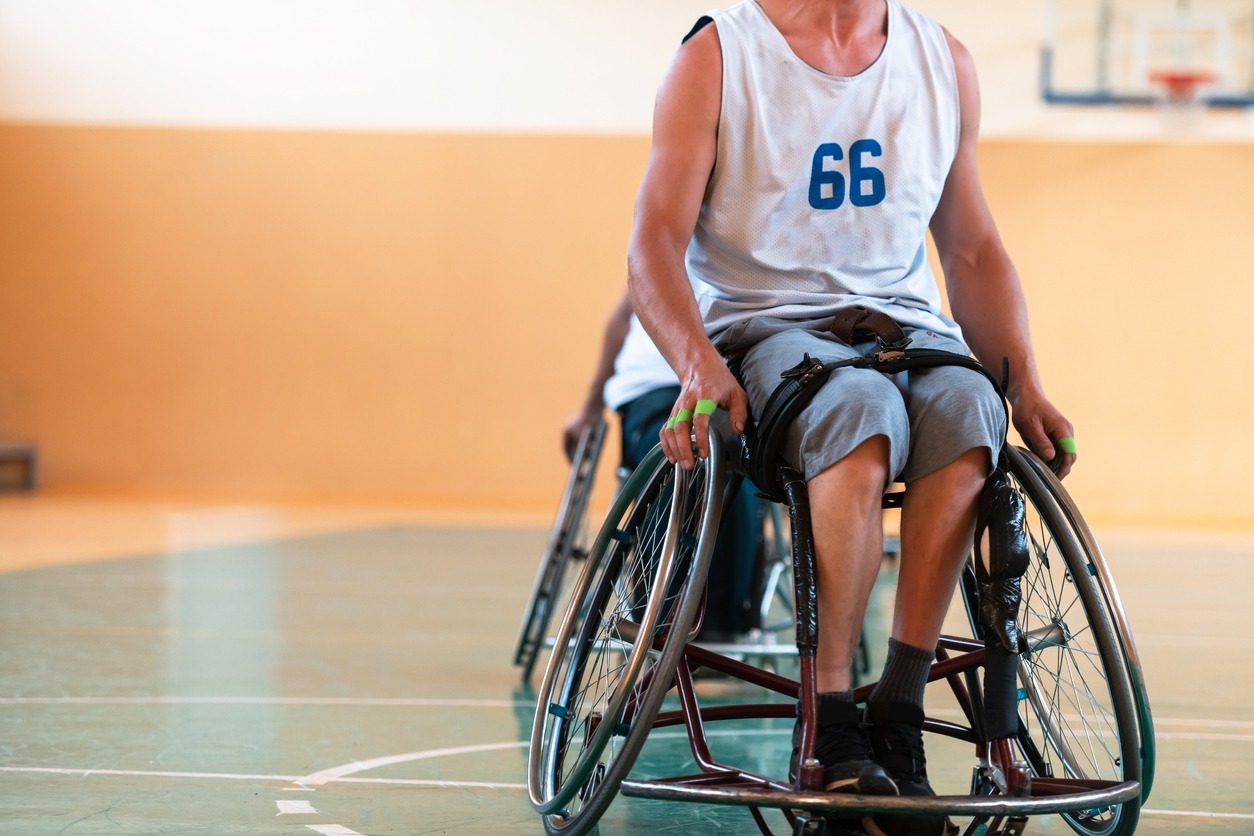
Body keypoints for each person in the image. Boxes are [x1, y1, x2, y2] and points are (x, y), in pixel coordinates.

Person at [625, 1, 1076, 833]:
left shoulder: (944, 61)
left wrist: (1027, 385)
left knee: (970, 406)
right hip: (765, 331)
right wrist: (697, 365)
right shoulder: (719, 56)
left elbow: (972, 249)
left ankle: (896, 717)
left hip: (903, 325)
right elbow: (652, 237)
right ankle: (831, 724)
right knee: (859, 410)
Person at [563, 289, 761, 643]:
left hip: (728, 385)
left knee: (732, 462)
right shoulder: (665, 248)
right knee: (680, 454)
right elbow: (622, 318)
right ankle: (659, 617)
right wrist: (589, 408)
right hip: (654, 386)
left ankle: (719, 621)